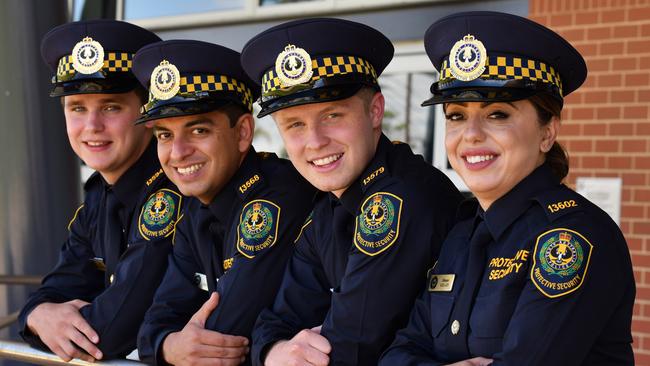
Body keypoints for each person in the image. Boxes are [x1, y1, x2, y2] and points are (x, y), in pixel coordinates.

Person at [380, 11, 635, 365]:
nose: (470, 135)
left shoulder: (570, 238)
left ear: (548, 132)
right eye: (456, 115)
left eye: (497, 114)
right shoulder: (461, 233)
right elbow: (396, 353)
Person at [240, 18, 464, 366]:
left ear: (375, 111)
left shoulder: (402, 196)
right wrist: (274, 353)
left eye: (332, 115)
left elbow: (350, 347)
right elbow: (276, 320)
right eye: (295, 124)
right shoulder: (330, 206)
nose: (315, 142)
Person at [131, 40, 317, 366]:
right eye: (164, 135)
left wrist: (167, 345)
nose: (177, 153)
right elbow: (156, 320)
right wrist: (167, 346)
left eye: (198, 130)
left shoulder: (277, 196)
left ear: (243, 132)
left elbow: (227, 335)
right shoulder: (195, 206)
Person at [18, 20, 183, 361]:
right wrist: (38, 315)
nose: (92, 127)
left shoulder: (173, 188)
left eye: (111, 107)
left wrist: (45, 319)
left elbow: (108, 333)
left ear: (148, 114)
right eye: (77, 108)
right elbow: (59, 287)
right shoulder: (99, 194)